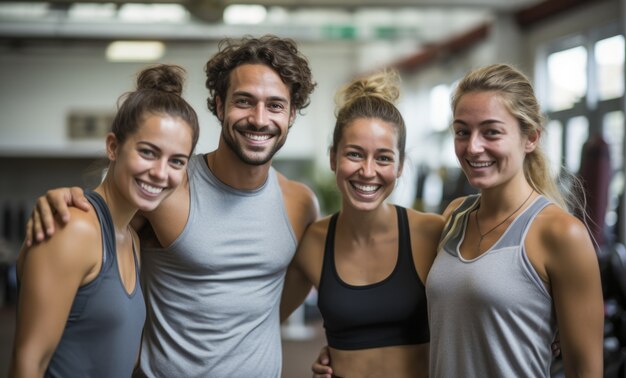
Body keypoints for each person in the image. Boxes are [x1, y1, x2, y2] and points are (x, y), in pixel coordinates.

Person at [22, 35, 319, 377]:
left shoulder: (300, 204)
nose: (259, 118)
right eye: (244, 101)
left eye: (276, 105)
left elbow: (278, 304)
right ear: (219, 105)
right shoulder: (167, 184)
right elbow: (105, 215)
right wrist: (67, 200)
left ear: (292, 114)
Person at [9, 64, 200, 377]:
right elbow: (29, 362)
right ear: (113, 147)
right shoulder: (75, 229)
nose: (160, 172)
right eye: (149, 152)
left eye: (176, 161)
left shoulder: (133, 239)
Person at [426, 63, 603, 377]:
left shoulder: (561, 234)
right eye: (462, 132)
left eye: (491, 132)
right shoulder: (454, 216)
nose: (472, 147)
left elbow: (586, 371)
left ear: (531, 137)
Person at [281, 69, 444, 378]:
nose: (368, 171)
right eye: (355, 154)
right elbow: (260, 322)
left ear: (399, 166)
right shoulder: (313, 242)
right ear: (333, 158)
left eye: (383, 158)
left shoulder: (431, 232)